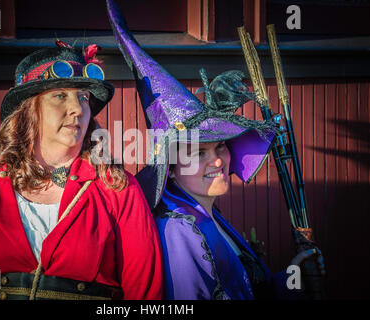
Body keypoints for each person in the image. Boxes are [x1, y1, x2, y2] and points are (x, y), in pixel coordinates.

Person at [107, 0, 324, 300]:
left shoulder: (205, 214)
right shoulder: (180, 232)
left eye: (220, 145)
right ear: (171, 167)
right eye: (198, 153)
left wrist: (293, 278)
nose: (218, 160)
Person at [0, 40, 163, 300]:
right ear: (28, 110)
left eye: (83, 98)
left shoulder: (117, 188)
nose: (77, 109)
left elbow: (145, 294)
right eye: (60, 95)